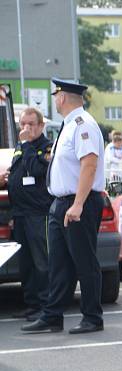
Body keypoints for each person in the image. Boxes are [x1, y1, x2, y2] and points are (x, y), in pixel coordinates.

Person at [22, 78, 105, 335]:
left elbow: (89, 164)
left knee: (84, 261)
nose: (54, 100)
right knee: (59, 263)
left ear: (61, 97)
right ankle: (52, 315)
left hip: (78, 202)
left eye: (55, 95)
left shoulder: (83, 125)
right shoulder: (69, 126)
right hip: (61, 203)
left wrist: (78, 204)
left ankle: (92, 317)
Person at [1, 107, 53, 321]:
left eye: (31, 124)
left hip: (38, 213)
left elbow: (36, 171)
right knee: (26, 263)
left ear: (41, 126)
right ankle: (32, 305)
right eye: (23, 124)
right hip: (21, 214)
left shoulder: (45, 147)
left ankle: (45, 307)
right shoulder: (21, 147)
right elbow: (20, 172)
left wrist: (27, 144)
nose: (26, 128)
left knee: (41, 262)